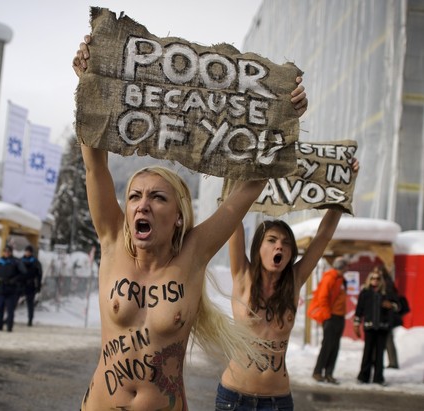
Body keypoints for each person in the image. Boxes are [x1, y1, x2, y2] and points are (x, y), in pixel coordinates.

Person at [73, 35, 309, 411]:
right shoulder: (113, 241)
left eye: (157, 197)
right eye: (134, 197)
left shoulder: (194, 254)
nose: (142, 205)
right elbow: (94, 165)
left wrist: (286, 116)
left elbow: (251, 187)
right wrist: (89, 82)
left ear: (178, 214)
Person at [220, 158, 359, 411]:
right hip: (234, 399)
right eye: (272, 240)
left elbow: (323, 235)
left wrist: (344, 184)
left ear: (291, 252)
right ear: (258, 247)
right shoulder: (242, 275)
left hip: (278, 401)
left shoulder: (294, 280)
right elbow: (232, 219)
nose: (279, 246)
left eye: (285, 243)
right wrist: (233, 167)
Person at [354, 268, 399, 386]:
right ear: (369, 280)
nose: (375, 280)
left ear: (381, 280)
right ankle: (363, 377)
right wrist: (356, 324)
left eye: (378, 278)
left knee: (379, 354)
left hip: (382, 327)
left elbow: (399, 306)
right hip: (369, 327)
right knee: (367, 352)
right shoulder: (365, 293)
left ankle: (378, 378)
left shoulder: (387, 293)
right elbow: (359, 310)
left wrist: (391, 305)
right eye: (373, 278)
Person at [312, 256, 349, 384]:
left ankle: (329, 373)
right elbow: (323, 297)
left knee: (335, 346)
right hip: (331, 317)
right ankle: (318, 372)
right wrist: (327, 315)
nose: (347, 268)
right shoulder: (330, 278)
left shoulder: (341, 279)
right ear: (342, 267)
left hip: (339, 316)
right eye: (346, 266)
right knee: (327, 346)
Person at [0, 245, 26, 332]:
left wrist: (14, 280)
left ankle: (9, 326)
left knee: (10, 309)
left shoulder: (16, 262)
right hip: (1, 289)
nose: (6, 253)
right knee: (0, 308)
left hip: (11, 290)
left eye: (8, 251)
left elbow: (23, 273)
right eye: (5, 251)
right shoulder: (0, 261)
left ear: (11, 252)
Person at [18, 244, 42, 326]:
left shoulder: (35, 262)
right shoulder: (20, 260)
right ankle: (9, 317)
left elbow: (39, 274)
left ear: (31, 253)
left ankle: (30, 319)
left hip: (30, 285)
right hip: (21, 284)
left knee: (30, 303)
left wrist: (38, 286)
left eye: (28, 251)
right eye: (26, 251)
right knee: (13, 301)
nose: (27, 253)